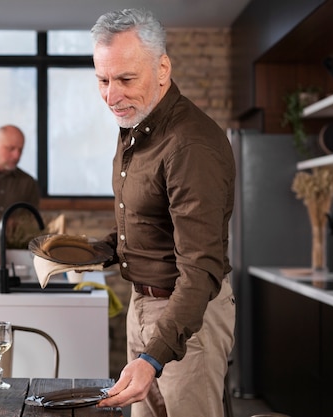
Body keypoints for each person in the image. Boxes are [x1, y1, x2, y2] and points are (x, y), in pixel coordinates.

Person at [91, 9, 236, 417]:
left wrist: (153, 356)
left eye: (125, 79)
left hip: (188, 318)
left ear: (162, 68)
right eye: (102, 80)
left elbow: (200, 269)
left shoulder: (190, 145)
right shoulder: (139, 124)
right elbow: (147, 220)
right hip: (143, 306)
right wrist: (92, 251)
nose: (111, 95)